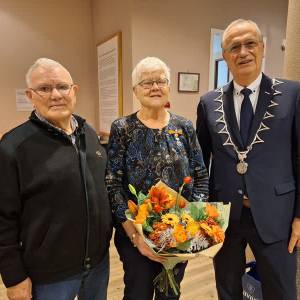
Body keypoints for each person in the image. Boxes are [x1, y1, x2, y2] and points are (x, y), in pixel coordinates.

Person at [196, 19, 300, 300]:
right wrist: (201, 215)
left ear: (263, 48)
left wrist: (299, 216)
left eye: (250, 43)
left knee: (282, 292)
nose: (243, 52)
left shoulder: (292, 94)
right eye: (234, 47)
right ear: (225, 55)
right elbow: (200, 163)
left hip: (276, 214)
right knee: (228, 291)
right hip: (226, 217)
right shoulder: (209, 102)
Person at [0, 58, 112, 300]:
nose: (55, 95)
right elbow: (3, 218)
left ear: (74, 91)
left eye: (62, 87)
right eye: (44, 88)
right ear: (30, 95)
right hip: (49, 275)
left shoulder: (89, 135)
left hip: (98, 265)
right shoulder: (14, 146)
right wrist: (13, 276)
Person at [106, 56, 209, 300]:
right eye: (146, 82)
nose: (155, 87)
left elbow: (201, 176)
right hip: (136, 234)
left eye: (160, 81)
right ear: (135, 90)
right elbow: (112, 183)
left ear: (169, 87)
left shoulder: (184, 127)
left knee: (170, 293)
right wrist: (135, 235)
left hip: (178, 233)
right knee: (138, 292)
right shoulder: (123, 128)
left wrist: (190, 224)